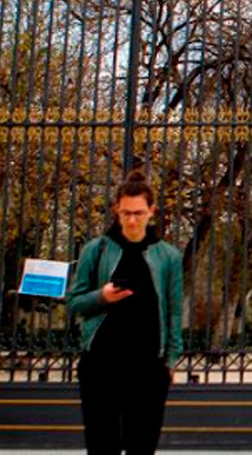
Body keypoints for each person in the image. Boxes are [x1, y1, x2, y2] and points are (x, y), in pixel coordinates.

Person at [67, 169, 184, 455]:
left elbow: (174, 313)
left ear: (152, 212)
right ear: (116, 211)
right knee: (102, 446)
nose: (132, 220)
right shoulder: (96, 250)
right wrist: (102, 296)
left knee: (141, 447)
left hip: (147, 367)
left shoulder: (168, 256)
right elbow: (74, 302)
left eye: (139, 213)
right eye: (126, 213)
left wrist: (170, 360)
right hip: (101, 364)